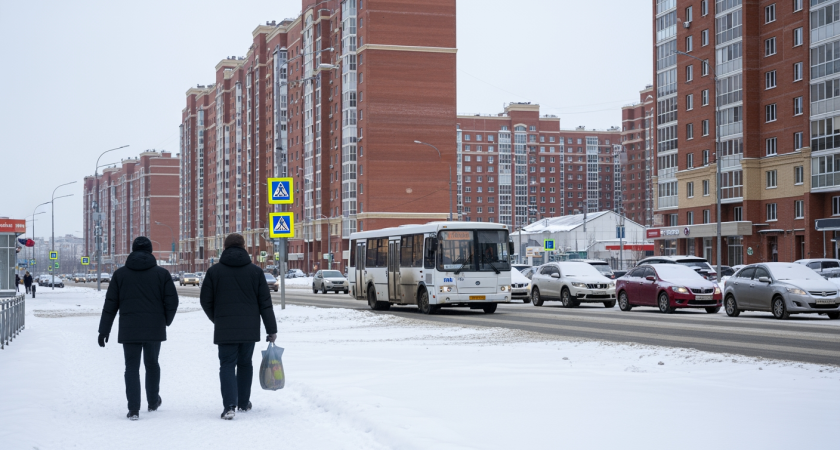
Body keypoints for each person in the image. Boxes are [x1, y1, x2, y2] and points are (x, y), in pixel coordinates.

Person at [98, 237, 179, 421]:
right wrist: (165, 321)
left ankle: (134, 409)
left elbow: (110, 304)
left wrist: (104, 330)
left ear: (132, 251)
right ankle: (153, 402)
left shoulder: (120, 274)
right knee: (152, 364)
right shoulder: (161, 274)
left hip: (130, 329)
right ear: (150, 251)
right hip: (154, 328)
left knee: (131, 367)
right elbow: (172, 301)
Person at [200, 233, 277, 420]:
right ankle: (243, 402)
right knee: (245, 364)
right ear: (244, 247)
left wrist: (218, 319)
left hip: (225, 328)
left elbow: (205, 300)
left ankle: (229, 406)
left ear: (225, 248)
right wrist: (271, 330)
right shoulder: (255, 272)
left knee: (227, 365)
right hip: (249, 328)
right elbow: (265, 303)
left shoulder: (214, 272)